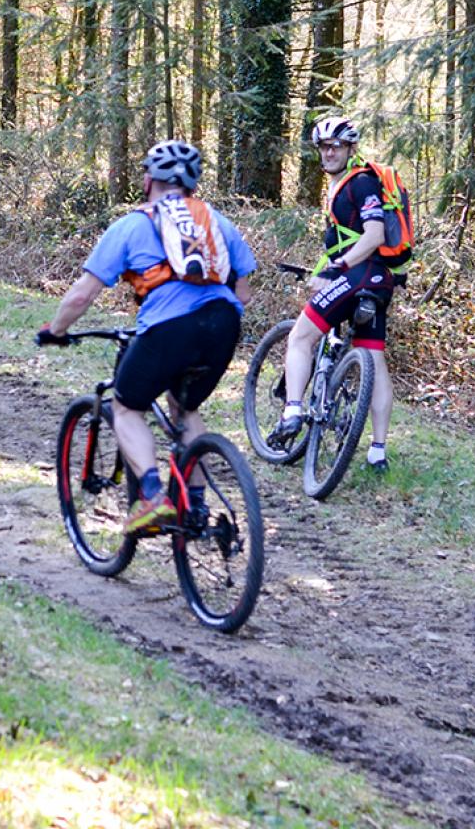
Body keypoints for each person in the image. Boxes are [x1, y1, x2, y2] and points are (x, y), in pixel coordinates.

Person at [37, 140, 256, 533]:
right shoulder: (217, 222)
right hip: (224, 324)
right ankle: (198, 508)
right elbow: (243, 291)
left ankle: (153, 498)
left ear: (149, 179)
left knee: (125, 406)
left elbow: (83, 293)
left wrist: (56, 330)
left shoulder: (132, 225)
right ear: (190, 184)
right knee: (184, 408)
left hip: (169, 327)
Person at [280, 115, 395, 472]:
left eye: (335, 146)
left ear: (351, 148)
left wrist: (338, 268)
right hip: (379, 280)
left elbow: (374, 235)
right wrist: (323, 271)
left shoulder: (360, 184)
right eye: (323, 147)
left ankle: (292, 411)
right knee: (372, 359)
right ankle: (378, 451)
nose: (328, 153)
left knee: (299, 338)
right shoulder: (346, 185)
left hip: (358, 276)